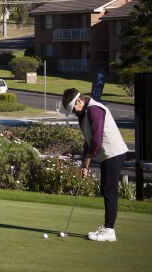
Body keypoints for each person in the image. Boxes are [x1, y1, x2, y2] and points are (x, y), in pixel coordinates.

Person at [62, 88, 129, 242]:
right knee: (105, 189)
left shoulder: (94, 109)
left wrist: (88, 160)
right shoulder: (83, 115)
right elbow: (89, 141)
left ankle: (109, 230)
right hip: (106, 155)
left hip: (114, 152)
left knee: (109, 190)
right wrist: (84, 165)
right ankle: (107, 228)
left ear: (79, 101)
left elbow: (97, 140)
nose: (73, 112)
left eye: (73, 108)